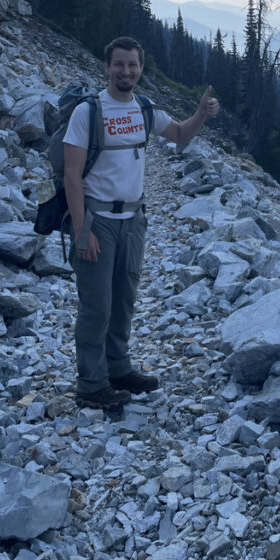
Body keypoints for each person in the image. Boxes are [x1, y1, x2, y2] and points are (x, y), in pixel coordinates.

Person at [63, 35, 220, 411]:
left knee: (124, 301)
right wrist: (82, 230)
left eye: (132, 65)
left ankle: (118, 370)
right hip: (97, 220)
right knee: (97, 305)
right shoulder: (88, 112)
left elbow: (180, 134)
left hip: (133, 220)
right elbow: (71, 176)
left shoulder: (144, 109)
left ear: (140, 68)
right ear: (106, 67)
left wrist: (201, 113)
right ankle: (91, 384)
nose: (126, 71)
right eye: (119, 64)